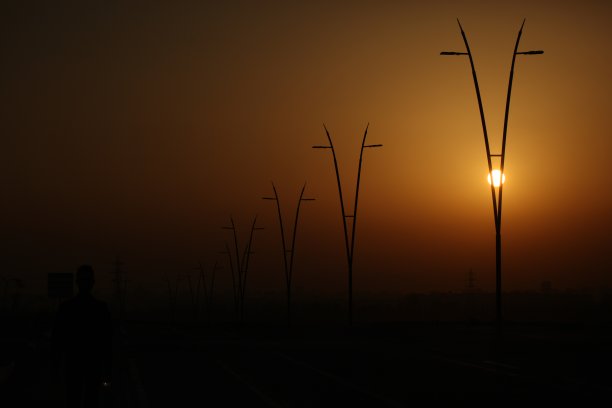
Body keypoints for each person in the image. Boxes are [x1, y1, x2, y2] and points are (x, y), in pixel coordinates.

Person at [52, 265, 112, 408]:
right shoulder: (100, 309)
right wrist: (108, 369)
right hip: (91, 363)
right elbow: (106, 342)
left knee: (74, 398)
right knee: (90, 399)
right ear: (93, 283)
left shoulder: (66, 308)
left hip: (74, 363)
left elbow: (58, 340)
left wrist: (56, 364)